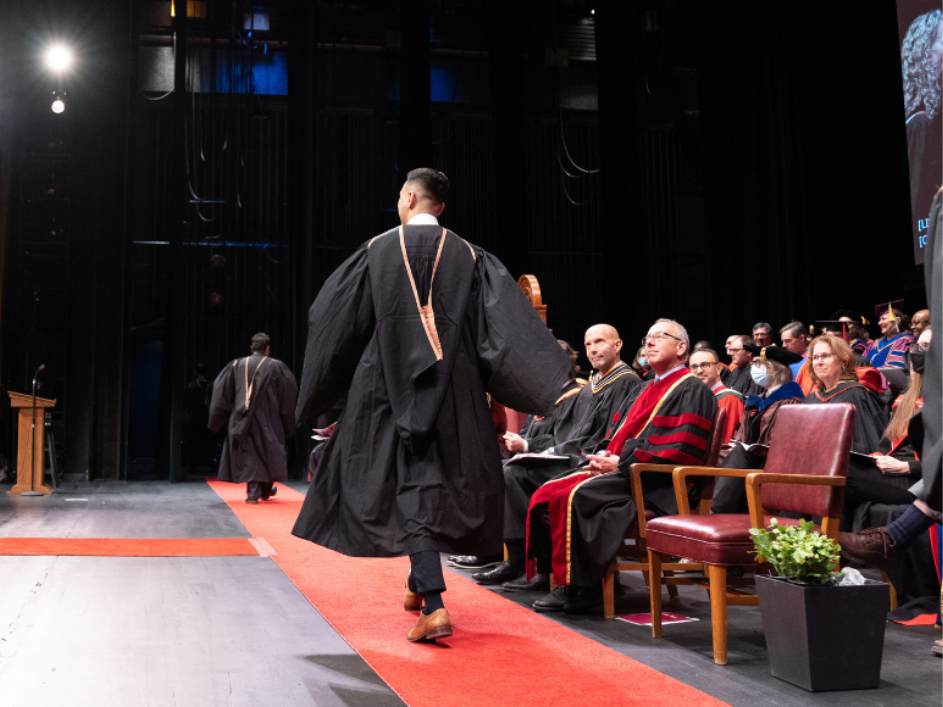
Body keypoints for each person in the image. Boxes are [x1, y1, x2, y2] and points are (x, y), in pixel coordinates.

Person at [290, 168, 570, 643]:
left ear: (409, 197)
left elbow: (333, 320)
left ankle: (435, 603)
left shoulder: (376, 251)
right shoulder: (471, 256)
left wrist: (329, 389)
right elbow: (501, 334)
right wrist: (537, 386)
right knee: (433, 483)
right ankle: (419, 582)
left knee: (408, 482)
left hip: (384, 385)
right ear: (441, 207)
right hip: (454, 388)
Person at [525, 319, 716, 613]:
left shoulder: (692, 390)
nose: (649, 342)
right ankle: (563, 576)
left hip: (654, 483)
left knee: (575, 497)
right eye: (647, 337)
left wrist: (622, 463)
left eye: (658, 337)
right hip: (623, 471)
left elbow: (680, 449)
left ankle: (582, 588)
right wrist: (603, 456)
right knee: (545, 493)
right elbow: (615, 435)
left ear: (681, 348)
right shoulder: (644, 388)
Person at [474, 328, 642, 588]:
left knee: (515, 473)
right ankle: (521, 561)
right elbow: (573, 435)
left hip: (591, 461)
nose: (593, 349)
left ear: (618, 345)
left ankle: (536, 567)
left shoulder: (626, 382)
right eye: (588, 344)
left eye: (599, 342)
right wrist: (551, 452)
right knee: (510, 470)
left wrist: (552, 451)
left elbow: (611, 436)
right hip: (572, 455)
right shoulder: (592, 386)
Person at [840, 328, 931, 523]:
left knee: (843, 472)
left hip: (921, 482)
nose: (917, 352)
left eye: (927, 347)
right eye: (918, 346)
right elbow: (887, 443)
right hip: (893, 474)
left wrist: (908, 467)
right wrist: (877, 460)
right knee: (835, 467)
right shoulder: (908, 398)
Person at [710, 345, 804, 514]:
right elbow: (741, 437)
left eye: (758, 364)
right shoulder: (757, 401)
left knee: (738, 453)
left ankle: (716, 512)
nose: (754, 369)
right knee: (713, 454)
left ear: (774, 369)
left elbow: (785, 445)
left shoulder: (791, 401)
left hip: (773, 464)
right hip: (749, 462)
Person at [208, 333, 298, 504]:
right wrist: (288, 423)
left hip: (242, 418)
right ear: (267, 349)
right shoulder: (277, 367)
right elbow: (288, 396)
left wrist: (217, 420)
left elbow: (221, 395)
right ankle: (255, 493)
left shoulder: (235, 365)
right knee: (267, 453)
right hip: (270, 418)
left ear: (251, 348)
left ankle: (262, 491)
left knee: (251, 453)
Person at [803, 335, 889, 455]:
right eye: (815, 357)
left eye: (825, 356)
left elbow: (866, 444)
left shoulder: (856, 395)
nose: (819, 362)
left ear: (843, 360)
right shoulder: (811, 398)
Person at [689, 348, 742, 443]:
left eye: (704, 365)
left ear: (718, 369)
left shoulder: (728, 398)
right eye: (694, 366)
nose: (699, 371)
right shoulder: (696, 399)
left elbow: (724, 443)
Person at [864, 303, 914, 369]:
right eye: (879, 319)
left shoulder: (905, 342)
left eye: (883, 319)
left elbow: (894, 371)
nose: (879, 323)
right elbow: (862, 361)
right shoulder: (875, 344)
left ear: (897, 321)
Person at [780, 321, 810, 388]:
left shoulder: (810, 360)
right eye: (783, 341)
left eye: (788, 341)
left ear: (801, 338)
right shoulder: (786, 360)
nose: (783, 345)